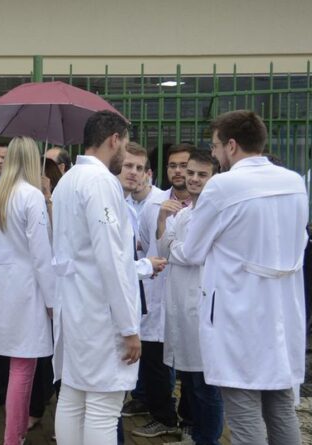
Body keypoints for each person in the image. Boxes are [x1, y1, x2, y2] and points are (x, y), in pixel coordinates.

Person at [180, 110, 307, 445]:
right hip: (282, 313)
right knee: (280, 406)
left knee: (243, 409)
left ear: (232, 145)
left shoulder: (223, 186)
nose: (216, 154)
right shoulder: (294, 182)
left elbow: (192, 251)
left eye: (216, 146)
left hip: (238, 314)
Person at [51, 110, 141, 444]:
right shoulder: (101, 182)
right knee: (104, 406)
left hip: (73, 306)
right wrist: (129, 326)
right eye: (126, 144)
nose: (126, 153)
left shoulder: (69, 180)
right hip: (100, 312)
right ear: (114, 140)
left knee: (73, 397)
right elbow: (111, 258)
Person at [0, 136, 56, 445]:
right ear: (32, 160)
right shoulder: (30, 196)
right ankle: (12, 437)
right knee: (23, 366)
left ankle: (16, 433)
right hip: (28, 289)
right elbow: (41, 254)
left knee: (15, 364)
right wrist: (52, 300)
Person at [156, 149, 224, 445]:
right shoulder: (182, 214)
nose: (193, 179)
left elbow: (191, 254)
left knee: (206, 383)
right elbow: (164, 250)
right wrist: (171, 242)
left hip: (204, 303)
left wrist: (174, 247)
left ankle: (207, 438)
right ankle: (195, 433)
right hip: (181, 304)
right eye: (191, 172)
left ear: (214, 178)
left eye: (202, 174)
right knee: (188, 378)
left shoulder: (217, 213)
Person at [127, 144, 194, 438]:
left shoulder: (206, 205)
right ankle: (164, 417)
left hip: (191, 296)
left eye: (184, 166)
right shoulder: (154, 204)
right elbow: (143, 242)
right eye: (172, 166)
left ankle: (190, 420)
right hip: (156, 295)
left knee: (191, 367)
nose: (178, 172)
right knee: (155, 361)